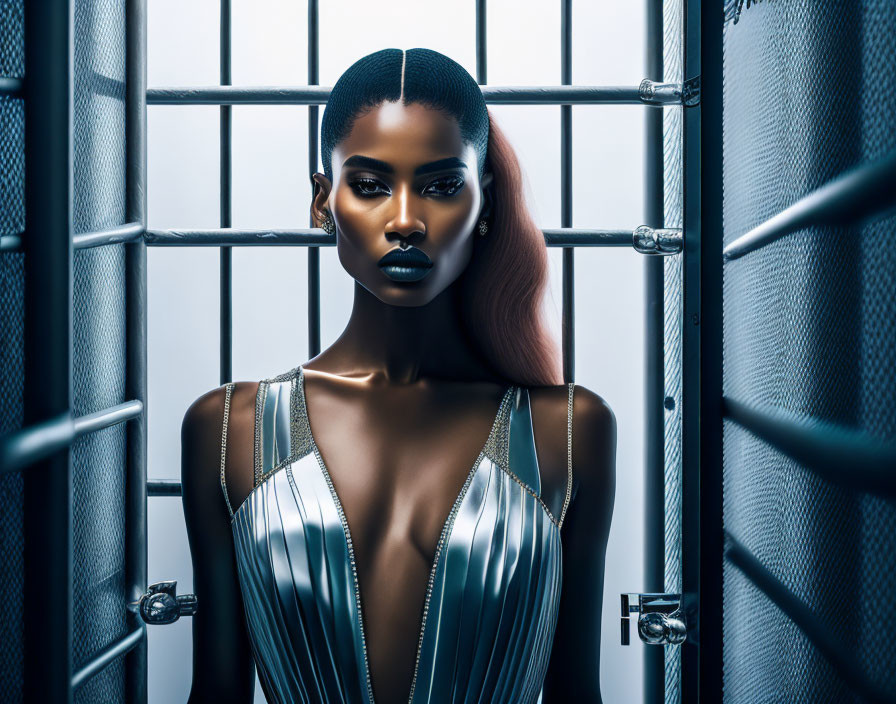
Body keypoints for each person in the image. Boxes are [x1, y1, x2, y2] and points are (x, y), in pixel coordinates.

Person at [181, 48, 616, 704]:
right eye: (371, 184)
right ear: (322, 202)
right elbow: (215, 693)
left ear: (485, 203)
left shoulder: (570, 432)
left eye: (442, 186)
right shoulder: (227, 430)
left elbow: (578, 694)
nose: (406, 219)